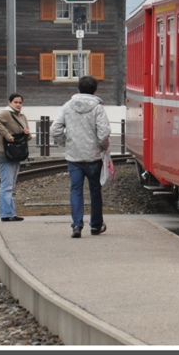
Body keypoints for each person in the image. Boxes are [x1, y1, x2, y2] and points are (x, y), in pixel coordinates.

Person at [50, 75, 111, 238]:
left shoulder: (67, 106)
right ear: (95, 90)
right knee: (95, 191)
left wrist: (66, 142)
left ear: (78, 88)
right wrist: (103, 146)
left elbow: (55, 130)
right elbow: (104, 133)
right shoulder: (98, 108)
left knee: (76, 190)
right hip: (93, 156)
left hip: (74, 156)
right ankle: (96, 225)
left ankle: (77, 225)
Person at [0, 93, 31, 222]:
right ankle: (6, 214)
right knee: (6, 185)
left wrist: (26, 133)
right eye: (15, 102)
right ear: (9, 102)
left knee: (10, 185)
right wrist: (6, 134)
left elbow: (27, 137)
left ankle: (10, 213)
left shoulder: (22, 116)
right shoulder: (6, 113)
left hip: (16, 153)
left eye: (20, 102)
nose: (18, 105)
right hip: (5, 153)